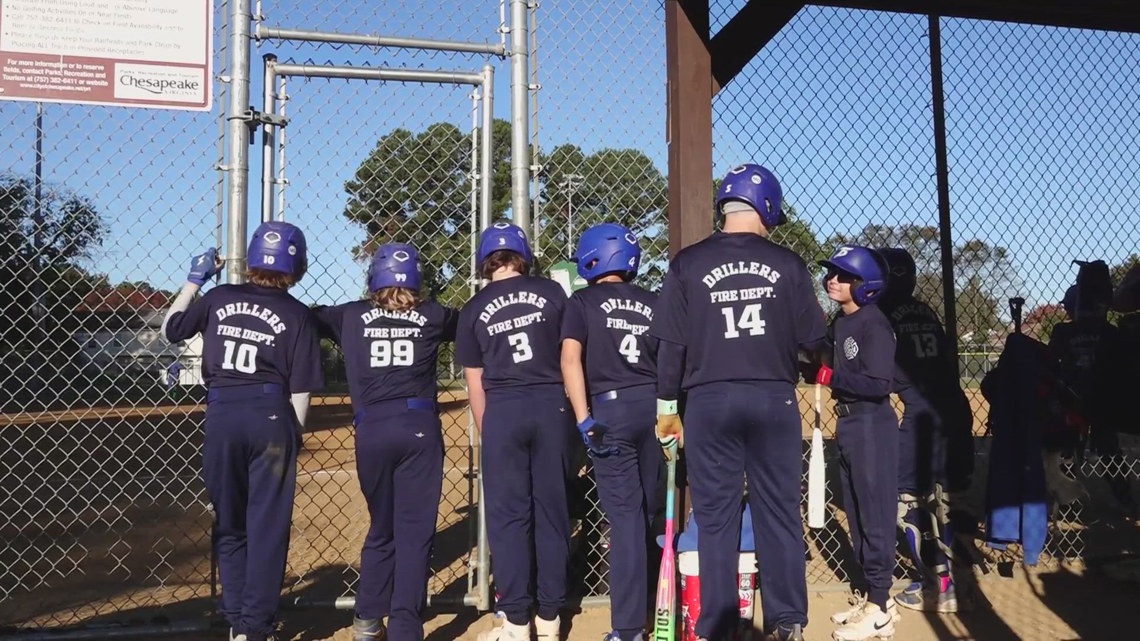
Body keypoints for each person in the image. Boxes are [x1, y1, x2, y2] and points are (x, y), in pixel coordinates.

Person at [648, 163, 828, 641]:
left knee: (715, 516)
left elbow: (671, 346)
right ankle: (787, 621)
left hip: (708, 400)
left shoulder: (687, 262)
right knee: (778, 512)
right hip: (772, 398)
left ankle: (719, 625)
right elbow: (815, 338)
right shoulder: (788, 264)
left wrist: (668, 407)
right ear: (765, 206)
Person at [162, 222, 323, 641]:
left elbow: (171, 330)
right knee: (268, 527)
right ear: (298, 264)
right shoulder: (298, 314)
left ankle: (236, 621)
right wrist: (294, 435)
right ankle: (256, 629)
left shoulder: (219, 297)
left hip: (222, 416)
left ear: (251, 259)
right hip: (271, 416)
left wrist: (194, 280)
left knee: (230, 523)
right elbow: (301, 390)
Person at [313, 243, 458, 641]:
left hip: (372, 429)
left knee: (382, 527)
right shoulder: (432, 315)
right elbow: (472, 322)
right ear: (417, 279)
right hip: (418, 428)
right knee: (415, 532)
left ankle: (366, 620)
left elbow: (302, 318)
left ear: (372, 277)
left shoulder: (350, 315)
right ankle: (406, 628)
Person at [455, 222, 575, 641]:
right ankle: (550, 615)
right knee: (552, 513)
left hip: (503, 409)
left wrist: (491, 432)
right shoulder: (554, 293)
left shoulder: (473, 309)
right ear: (523, 256)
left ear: (486, 261)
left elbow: (475, 382)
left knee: (509, 519)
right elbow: (570, 357)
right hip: (551, 406)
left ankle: (517, 620)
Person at [560, 223, 662, 641]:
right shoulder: (653, 302)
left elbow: (570, 360)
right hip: (654, 410)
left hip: (612, 411)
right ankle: (660, 609)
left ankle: (627, 628)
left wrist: (584, 419)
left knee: (624, 520)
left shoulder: (582, 301)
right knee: (651, 516)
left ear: (591, 258)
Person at [800, 245, 898, 641]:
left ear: (866, 285)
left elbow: (878, 384)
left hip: (873, 425)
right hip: (850, 425)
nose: (832, 281)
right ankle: (876, 600)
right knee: (856, 514)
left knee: (874, 514)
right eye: (831, 274)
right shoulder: (841, 324)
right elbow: (820, 360)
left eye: (843, 276)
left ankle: (880, 608)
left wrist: (829, 378)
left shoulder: (874, 324)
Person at [873, 247, 972, 614]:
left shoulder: (879, 312)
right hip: (956, 410)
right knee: (944, 498)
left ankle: (937, 586)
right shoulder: (925, 310)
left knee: (907, 500)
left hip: (921, 415)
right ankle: (956, 581)